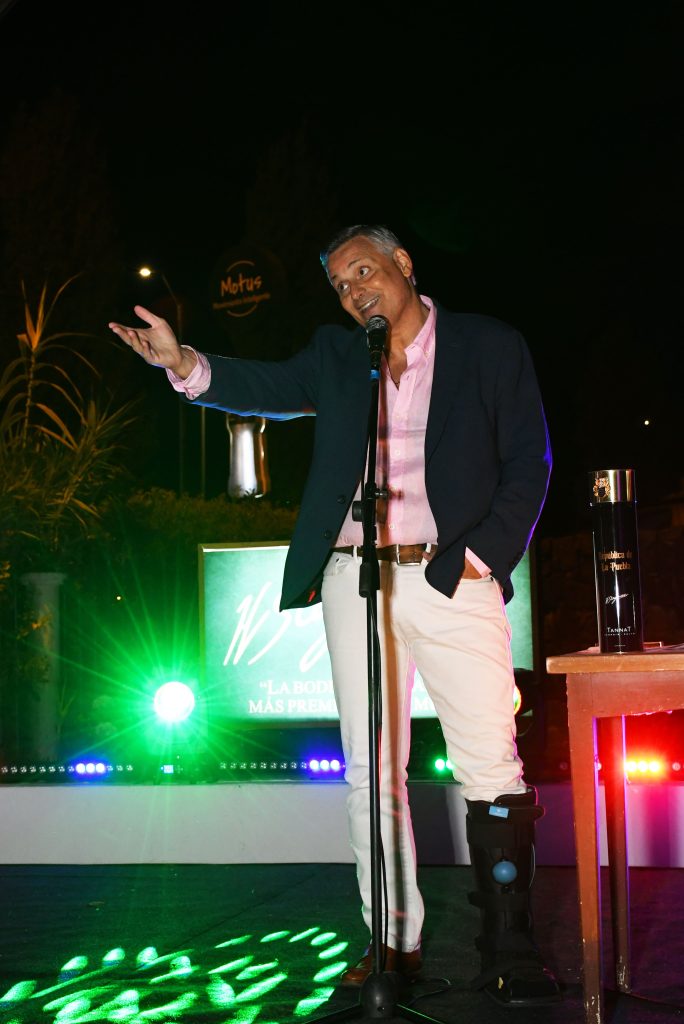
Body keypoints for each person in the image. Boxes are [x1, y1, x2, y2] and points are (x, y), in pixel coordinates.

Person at [109, 224, 560, 1007]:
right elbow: (266, 386)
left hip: (453, 576)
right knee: (369, 771)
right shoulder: (339, 355)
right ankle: (392, 944)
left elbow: (530, 459)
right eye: (341, 285)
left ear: (403, 264)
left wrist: (481, 556)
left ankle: (510, 947)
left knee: (490, 763)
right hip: (357, 579)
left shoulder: (488, 345)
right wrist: (185, 365)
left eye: (364, 272)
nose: (354, 292)